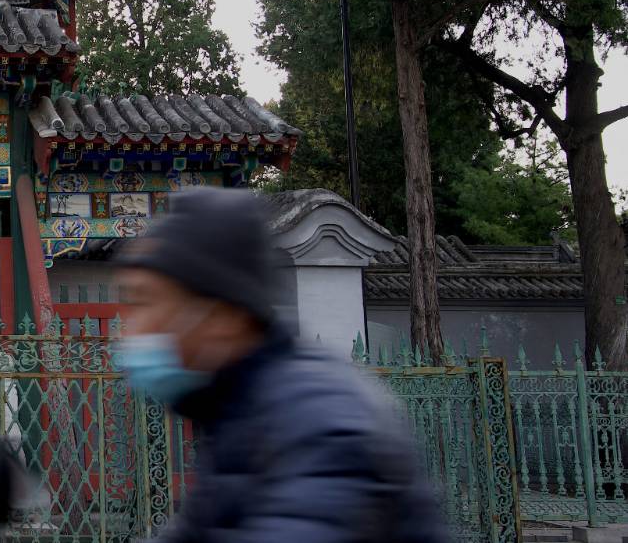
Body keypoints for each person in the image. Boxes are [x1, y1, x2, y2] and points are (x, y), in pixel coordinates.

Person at [110, 187, 445, 543]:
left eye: (144, 301)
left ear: (222, 315)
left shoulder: (320, 424)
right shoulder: (235, 417)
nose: (126, 330)